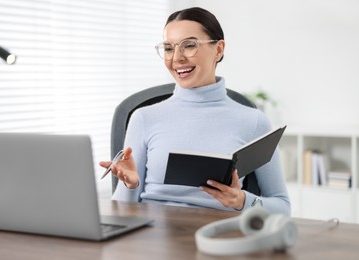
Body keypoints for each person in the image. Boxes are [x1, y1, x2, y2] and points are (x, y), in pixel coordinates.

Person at [100, 7, 290, 215]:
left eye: (189, 46)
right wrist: (131, 185)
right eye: (169, 48)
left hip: (217, 237)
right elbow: (120, 212)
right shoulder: (144, 118)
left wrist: (241, 200)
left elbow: (282, 207)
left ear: (218, 50)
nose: (177, 58)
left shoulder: (254, 121)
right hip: (154, 236)